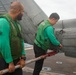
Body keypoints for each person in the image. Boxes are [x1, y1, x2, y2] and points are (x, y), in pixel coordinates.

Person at [0, 1, 26, 75]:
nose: (23, 14)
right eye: (23, 11)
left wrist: (23, 58)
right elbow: (3, 44)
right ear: (18, 11)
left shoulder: (17, 24)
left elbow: (21, 40)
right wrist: (10, 62)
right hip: (4, 61)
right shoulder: (3, 22)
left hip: (16, 59)